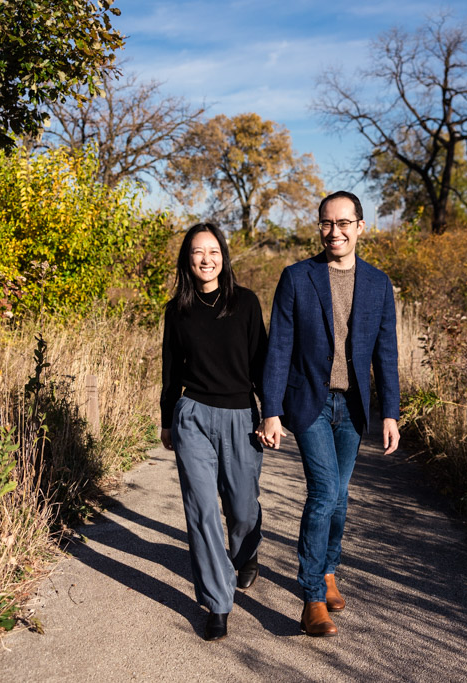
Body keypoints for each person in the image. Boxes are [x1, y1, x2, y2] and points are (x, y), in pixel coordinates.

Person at [258, 190, 400, 637]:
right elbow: (278, 348)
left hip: (353, 406)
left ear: (360, 226)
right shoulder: (297, 278)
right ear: (319, 226)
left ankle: (329, 569)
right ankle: (312, 598)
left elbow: (387, 354)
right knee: (323, 493)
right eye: (326, 223)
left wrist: (390, 413)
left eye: (343, 223)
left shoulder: (378, 283)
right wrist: (271, 411)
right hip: (310, 405)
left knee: (340, 496)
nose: (333, 232)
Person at [160, 222, 268, 642]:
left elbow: (261, 364)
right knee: (201, 511)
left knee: (241, 508)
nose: (206, 259)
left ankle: (247, 551)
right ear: (187, 261)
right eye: (197, 253)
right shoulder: (177, 310)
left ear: (224, 256)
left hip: (240, 415)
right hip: (193, 417)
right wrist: (168, 419)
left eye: (213, 251)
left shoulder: (246, 303)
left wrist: (269, 414)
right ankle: (217, 603)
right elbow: (170, 371)